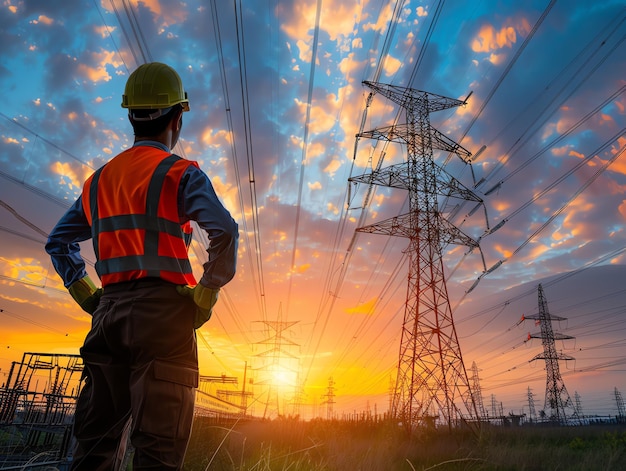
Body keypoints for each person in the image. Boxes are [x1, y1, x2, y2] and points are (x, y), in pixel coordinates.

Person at [45, 62, 238, 470]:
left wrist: (89, 297)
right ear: (178, 117)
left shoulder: (99, 181)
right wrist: (204, 295)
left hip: (108, 316)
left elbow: (58, 242)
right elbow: (225, 232)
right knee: (158, 452)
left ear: (131, 116)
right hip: (166, 318)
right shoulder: (181, 174)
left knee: (93, 449)